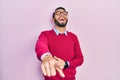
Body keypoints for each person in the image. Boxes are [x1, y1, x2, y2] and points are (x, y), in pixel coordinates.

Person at [35, 7, 84, 80]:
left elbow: (80, 59)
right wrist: (46, 56)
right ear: (53, 19)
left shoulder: (74, 37)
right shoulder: (45, 34)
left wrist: (66, 64)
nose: (62, 15)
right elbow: (40, 44)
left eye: (64, 14)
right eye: (58, 14)